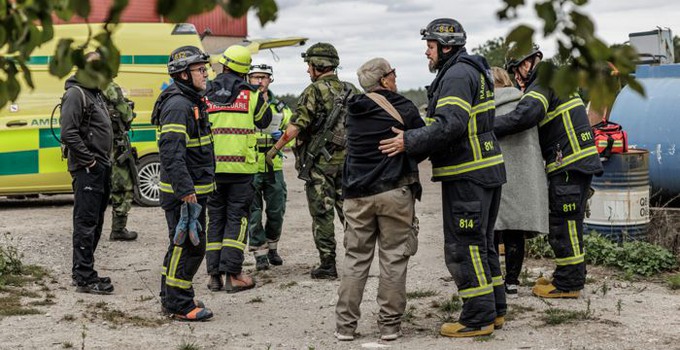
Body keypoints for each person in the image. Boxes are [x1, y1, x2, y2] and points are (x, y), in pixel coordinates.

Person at [379, 18, 506, 337]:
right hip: (485, 170)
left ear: (446, 47)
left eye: (430, 46)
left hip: (468, 174)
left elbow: (451, 124)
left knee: (465, 246)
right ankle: (495, 309)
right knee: (483, 243)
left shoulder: (457, 75)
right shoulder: (473, 70)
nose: (426, 53)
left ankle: (477, 318)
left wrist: (409, 141)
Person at [494, 44, 603, 299]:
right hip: (577, 163)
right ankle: (566, 276)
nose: (517, 80)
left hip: (568, 164)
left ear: (525, 64)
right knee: (570, 223)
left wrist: (485, 126)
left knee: (563, 225)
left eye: (515, 72)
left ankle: (568, 284)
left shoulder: (542, 82)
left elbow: (524, 115)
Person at [334, 58, 425, 342]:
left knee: (355, 259)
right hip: (394, 191)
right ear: (385, 80)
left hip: (357, 196)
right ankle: (389, 326)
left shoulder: (353, 110)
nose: (396, 78)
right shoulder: (403, 107)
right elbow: (423, 142)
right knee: (394, 259)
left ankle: (345, 327)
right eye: (393, 74)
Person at [267, 42, 360, 279]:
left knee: (322, 214)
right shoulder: (352, 90)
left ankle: (328, 265)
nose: (308, 70)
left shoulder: (314, 91)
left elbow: (296, 126)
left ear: (318, 65)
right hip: (350, 164)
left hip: (320, 165)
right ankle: (357, 263)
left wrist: (274, 150)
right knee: (350, 213)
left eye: (309, 65)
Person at [153, 45, 215, 321]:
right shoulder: (179, 105)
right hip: (184, 196)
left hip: (191, 192)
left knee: (179, 246)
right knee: (190, 247)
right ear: (184, 75)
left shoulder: (190, 101)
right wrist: (186, 191)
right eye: (200, 69)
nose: (205, 73)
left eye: (205, 68)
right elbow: (171, 153)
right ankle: (180, 304)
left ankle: (171, 296)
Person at [204, 45, 272, 293]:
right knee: (237, 220)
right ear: (245, 70)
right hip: (241, 169)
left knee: (215, 220)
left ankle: (214, 275)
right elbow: (264, 122)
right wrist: (261, 96)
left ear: (223, 64)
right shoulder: (251, 94)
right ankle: (234, 274)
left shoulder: (206, 91)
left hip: (211, 169)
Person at [490, 67, 549, 296]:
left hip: (494, 174)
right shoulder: (525, 103)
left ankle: (493, 279)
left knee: (492, 230)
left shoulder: (484, 106)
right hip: (523, 177)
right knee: (515, 231)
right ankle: (512, 282)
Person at [60, 51, 115, 294]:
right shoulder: (76, 93)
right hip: (88, 169)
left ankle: (86, 271)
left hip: (100, 166)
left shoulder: (95, 93)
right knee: (86, 222)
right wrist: (90, 162)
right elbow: (68, 133)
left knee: (96, 221)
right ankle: (83, 277)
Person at [246, 64, 293, 271]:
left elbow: (293, 136)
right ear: (248, 79)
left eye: (263, 78)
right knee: (253, 212)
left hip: (274, 167)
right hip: (251, 165)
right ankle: (260, 254)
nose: (259, 81)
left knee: (276, 210)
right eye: (255, 77)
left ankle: (273, 247)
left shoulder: (282, 109)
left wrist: (282, 140)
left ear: (270, 80)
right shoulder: (244, 105)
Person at [103, 81, 139, 241]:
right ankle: (118, 228)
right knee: (124, 187)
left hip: (97, 146)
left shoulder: (82, 87)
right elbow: (126, 114)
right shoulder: (109, 86)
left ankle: (89, 231)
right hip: (114, 146)